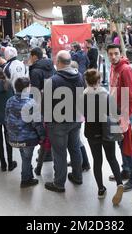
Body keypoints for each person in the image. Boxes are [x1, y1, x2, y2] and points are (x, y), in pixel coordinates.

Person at [44, 50, 85, 193]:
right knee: (75, 148)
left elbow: (46, 105)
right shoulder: (80, 77)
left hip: (58, 123)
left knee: (59, 152)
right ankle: (77, 176)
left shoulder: (52, 81)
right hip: (76, 120)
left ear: (58, 62)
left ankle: (59, 183)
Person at [83, 69, 124, 205]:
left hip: (92, 133)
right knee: (112, 158)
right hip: (107, 132)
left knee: (97, 161)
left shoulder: (82, 97)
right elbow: (116, 114)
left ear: (86, 81)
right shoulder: (106, 96)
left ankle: (101, 189)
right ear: (99, 81)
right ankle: (119, 183)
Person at [106, 44, 132, 192]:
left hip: (124, 114)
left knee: (127, 146)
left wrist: (126, 117)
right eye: (110, 54)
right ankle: (125, 170)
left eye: (116, 53)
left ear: (120, 54)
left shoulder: (125, 70)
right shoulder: (113, 67)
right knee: (121, 143)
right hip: (115, 111)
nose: (113, 56)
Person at [6, 77, 45, 188]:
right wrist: (42, 136)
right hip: (28, 138)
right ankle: (25, 180)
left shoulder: (10, 100)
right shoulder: (31, 103)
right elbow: (37, 123)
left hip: (14, 137)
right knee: (27, 158)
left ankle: (28, 175)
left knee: (24, 156)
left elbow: (6, 118)